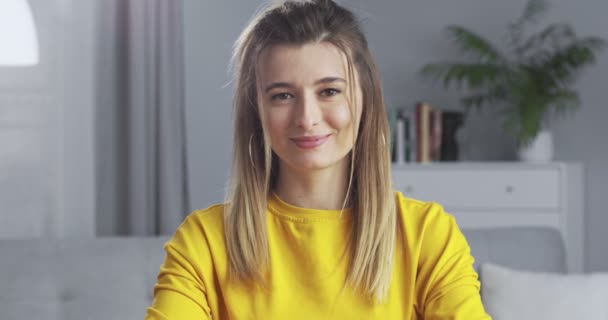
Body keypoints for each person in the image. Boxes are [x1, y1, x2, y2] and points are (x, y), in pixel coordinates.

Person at [145, 0, 490, 319]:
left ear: (364, 98)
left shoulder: (427, 235)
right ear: (257, 110)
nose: (307, 118)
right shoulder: (204, 240)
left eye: (329, 91)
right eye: (282, 95)